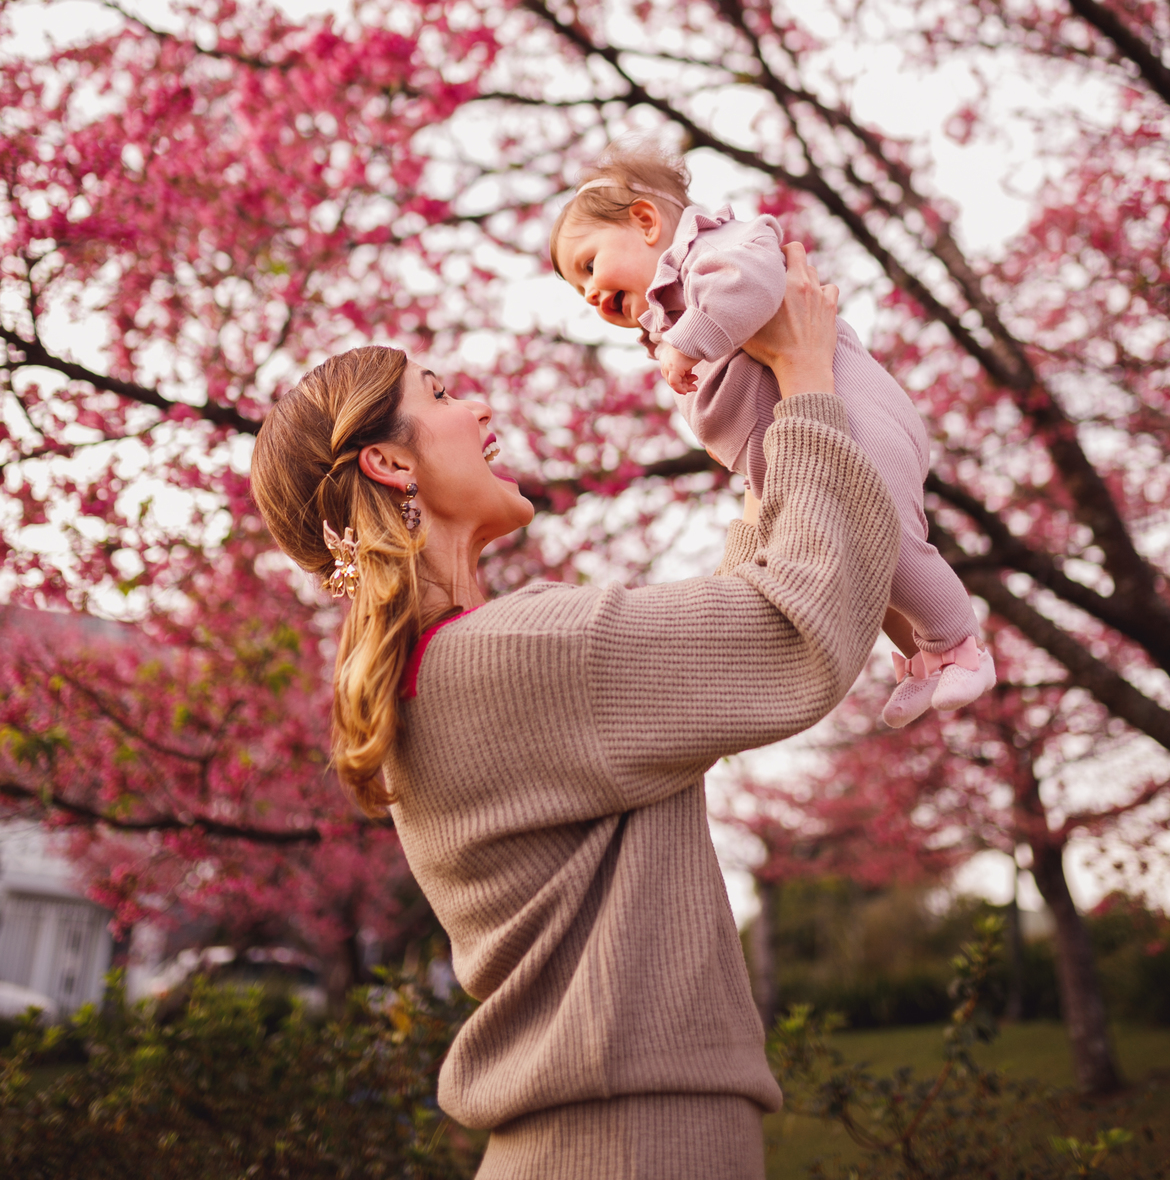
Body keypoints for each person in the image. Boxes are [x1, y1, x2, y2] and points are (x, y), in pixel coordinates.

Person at [249, 248, 900, 1179]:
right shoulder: (514, 656)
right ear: (389, 462)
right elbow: (797, 631)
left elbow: (732, 626)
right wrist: (802, 377)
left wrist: (759, 453)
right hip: (638, 1145)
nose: (479, 406)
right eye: (440, 395)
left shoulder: (453, 667)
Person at [550, 141, 995, 727]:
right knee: (859, 558)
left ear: (644, 221)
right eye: (576, 290)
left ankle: (958, 643)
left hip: (854, 413)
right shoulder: (673, 301)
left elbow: (753, 287)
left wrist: (687, 342)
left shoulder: (716, 246)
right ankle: (923, 656)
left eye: (587, 265)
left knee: (886, 536)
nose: (588, 293)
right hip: (802, 439)